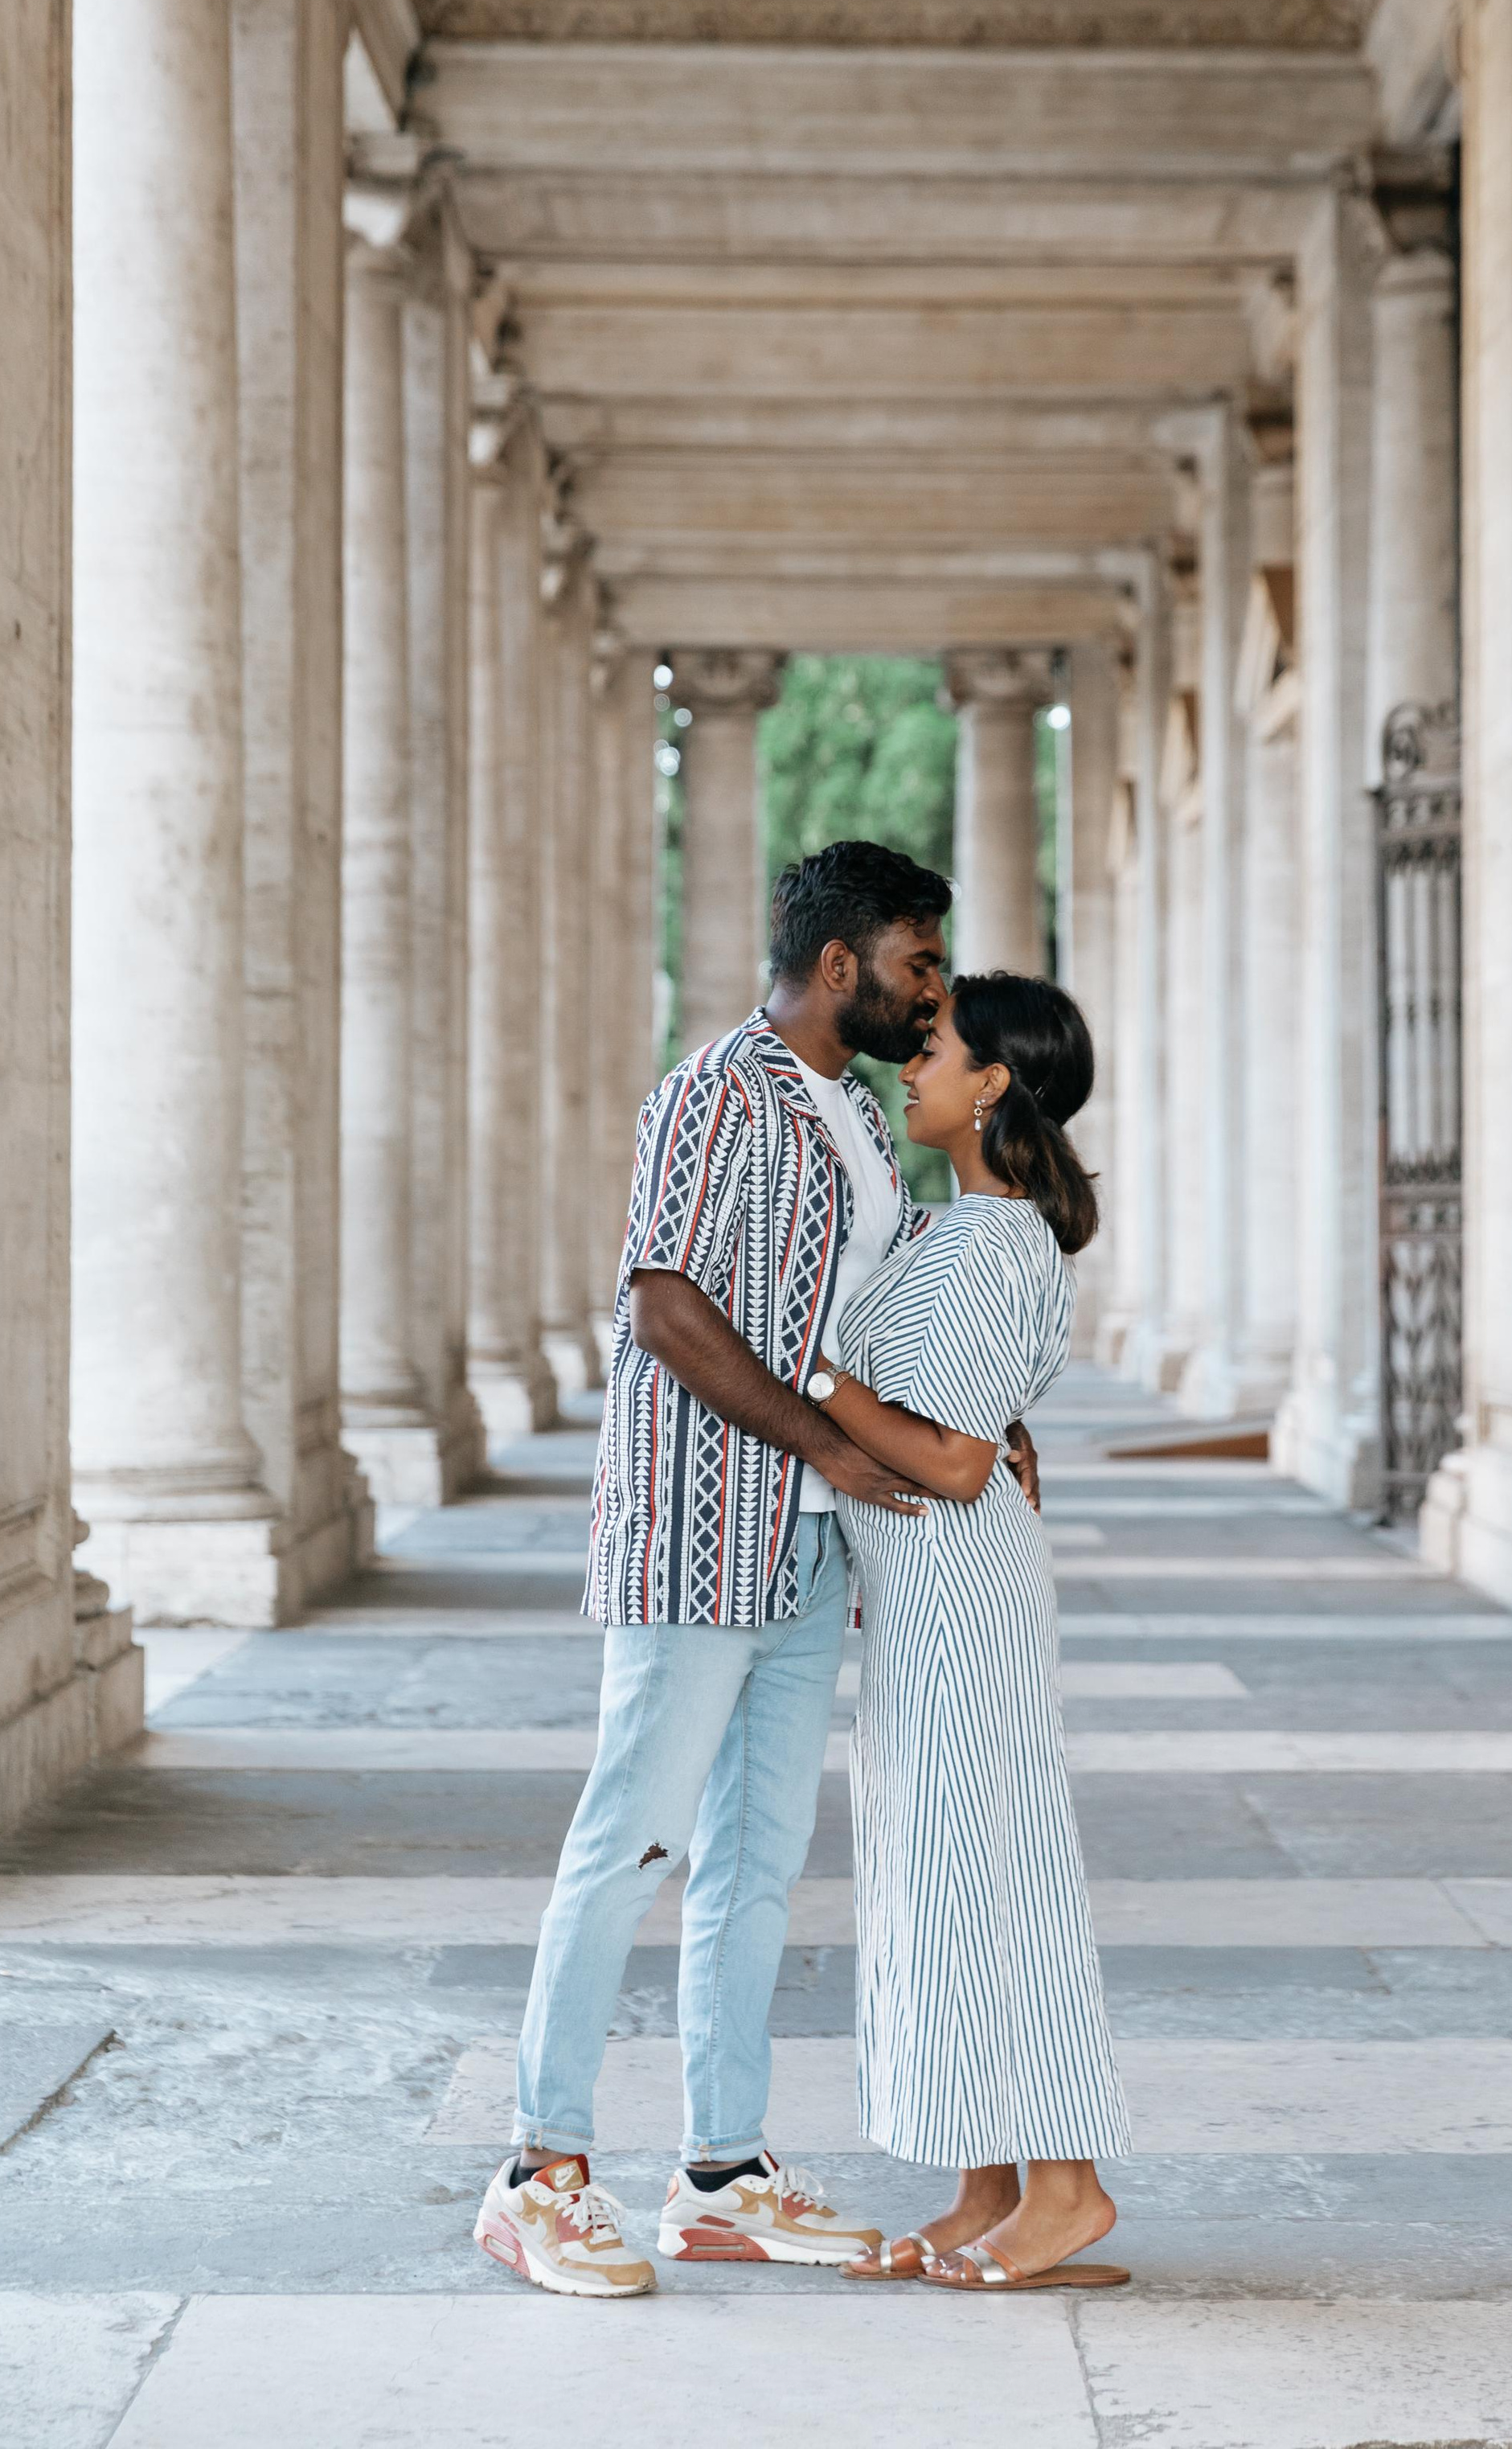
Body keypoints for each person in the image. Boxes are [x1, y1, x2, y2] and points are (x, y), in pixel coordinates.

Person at [475, 841, 1039, 2300]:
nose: (934, 1000)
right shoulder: (712, 1095)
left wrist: (985, 1416)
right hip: (699, 1525)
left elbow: (888, 1303)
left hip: (802, 1542)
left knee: (758, 1865)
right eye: (920, 967)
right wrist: (832, 1448)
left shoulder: (853, 1115)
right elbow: (663, 1302)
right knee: (631, 1845)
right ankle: (538, 2172)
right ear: (843, 964)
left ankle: (721, 2172)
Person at [822, 972, 1132, 2294]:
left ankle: (1069, 2190)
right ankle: (984, 2180)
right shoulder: (961, 1231)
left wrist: (809, 1379)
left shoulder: (992, 1240)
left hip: (960, 1589)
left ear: (993, 1082)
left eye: (934, 1046)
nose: (911, 1061)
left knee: (993, 1871)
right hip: (923, 1588)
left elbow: (953, 1463)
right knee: (933, 1880)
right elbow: (973, 1428)